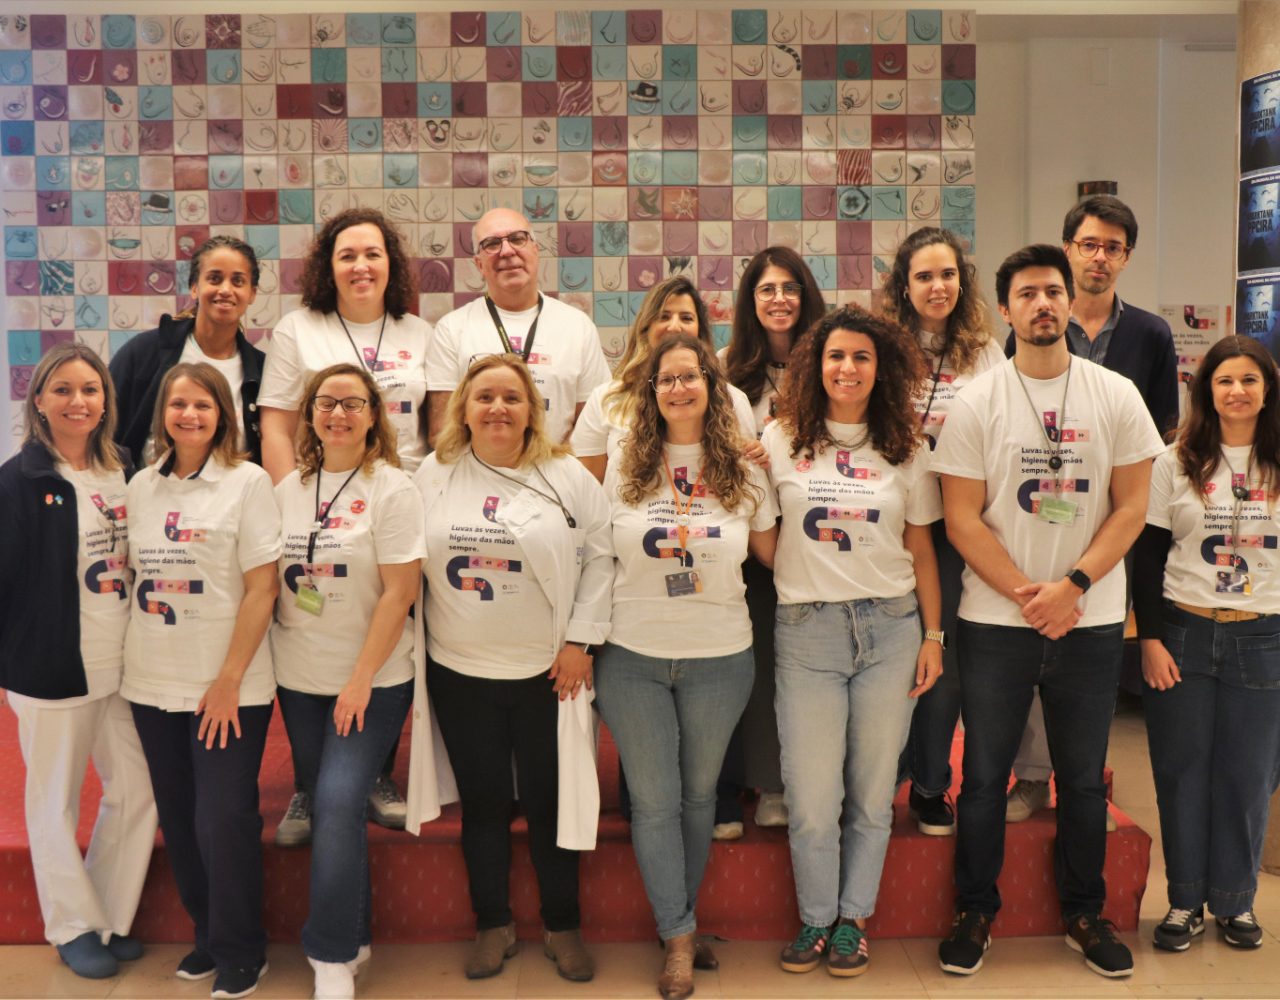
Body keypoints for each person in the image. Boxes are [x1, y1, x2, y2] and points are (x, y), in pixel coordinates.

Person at [932, 244, 1164, 979]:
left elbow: (1132, 508)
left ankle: (1084, 914)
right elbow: (961, 519)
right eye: (1028, 293)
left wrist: (1072, 586)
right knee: (984, 778)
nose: (1043, 304)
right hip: (996, 623)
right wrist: (1029, 597)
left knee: (1084, 778)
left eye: (1053, 291)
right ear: (1005, 309)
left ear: (1071, 302)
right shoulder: (978, 401)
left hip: (1089, 621)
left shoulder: (1115, 395)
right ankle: (975, 910)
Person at [409, 354, 613, 983]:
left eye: (512, 397)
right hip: (460, 670)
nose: (498, 407)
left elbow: (602, 557)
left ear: (532, 411)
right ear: (463, 409)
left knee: (552, 803)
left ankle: (562, 925)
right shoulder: (434, 473)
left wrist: (582, 641)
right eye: (484, 397)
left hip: (549, 673)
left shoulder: (566, 475)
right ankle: (492, 924)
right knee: (485, 804)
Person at [593, 335, 777, 999]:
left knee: (700, 797)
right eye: (665, 379)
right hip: (632, 654)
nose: (678, 388)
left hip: (720, 656)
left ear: (712, 387)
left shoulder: (745, 466)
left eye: (690, 376)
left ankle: (680, 921)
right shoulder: (625, 460)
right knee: (654, 800)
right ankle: (678, 935)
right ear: (651, 391)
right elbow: (598, 554)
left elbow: (776, 556)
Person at [762, 306, 944, 978]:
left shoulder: (908, 446)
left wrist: (933, 635)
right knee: (812, 797)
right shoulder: (779, 439)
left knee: (871, 792)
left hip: (891, 628)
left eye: (861, 357)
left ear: (881, 367)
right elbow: (762, 533)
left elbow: (921, 549)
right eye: (835, 356)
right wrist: (803, 573)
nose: (847, 368)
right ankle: (815, 917)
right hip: (807, 632)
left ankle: (852, 921)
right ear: (815, 365)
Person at [1006, 195, 1179, 825]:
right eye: (1088, 244)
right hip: (1040, 511)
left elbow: (1162, 433)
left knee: (1093, 652)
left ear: (1126, 257)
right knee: (1035, 636)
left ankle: (1086, 781)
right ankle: (1031, 776)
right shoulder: (1035, 320)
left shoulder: (1151, 335)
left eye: (1113, 247)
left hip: (1116, 520)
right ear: (1069, 248)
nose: (1099, 257)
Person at [259, 207, 430, 838]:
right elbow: (277, 426)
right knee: (319, 626)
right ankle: (311, 784)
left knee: (393, 630)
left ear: (392, 264)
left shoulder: (419, 332)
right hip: (321, 502)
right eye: (347, 255)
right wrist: (302, 504)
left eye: (372, 254)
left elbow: (435, 428)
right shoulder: (298, 330)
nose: (361, 266)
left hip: (401, 505)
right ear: (326, 268)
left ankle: (376, 771)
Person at [123, 362, 281, 999]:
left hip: (228, 686)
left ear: (223, 415)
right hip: (151, 679)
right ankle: (208, 936)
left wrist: (228, 679)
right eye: (178, 405)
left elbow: (263, 588)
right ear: (162, 413)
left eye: (203, 405)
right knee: (181, 818)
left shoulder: (248, 482)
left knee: (223, 818)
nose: (189, 415)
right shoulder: (141, 486)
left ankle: (243, 949)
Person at [0, 344, 157, 980]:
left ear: (105, 400)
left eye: (90, 389)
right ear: (39, 400)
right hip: (53, 667)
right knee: (54, 803)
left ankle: (107, 915)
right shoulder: (18, 481)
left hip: (125, 661)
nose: (78, 401)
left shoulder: (125, 469)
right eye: (62, 389)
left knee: (138, 790)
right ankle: (70, 927)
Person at [271, 364, 424, 999]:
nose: (338, 414)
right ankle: (354, 936)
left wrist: (360, 679)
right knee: (324, 797)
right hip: (298, 678)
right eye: (326, 403)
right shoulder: (288, 489)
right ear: (309, 414)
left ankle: (330, 956)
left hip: (372, 680)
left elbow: (400, 592)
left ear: (373, 415)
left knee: (336, 802)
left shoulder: (393, 489)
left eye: (352, 403)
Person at [1134, 335, 1280, 953]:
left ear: (1267, 390)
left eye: (1249, 380)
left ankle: (1236, 901)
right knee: (1181, 772)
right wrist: (1150, 638)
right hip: (1184, 633)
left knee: (1248, 776)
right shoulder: (1174, 461)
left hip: (1263, 635)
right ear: (1206, 391)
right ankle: (1185, 900)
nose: (1237, 391)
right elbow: (1147, 557)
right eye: (1225, 380)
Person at [881, 227, 1004, 837]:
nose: (938, 286)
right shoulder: (881, 346)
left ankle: (931, 785)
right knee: (887, 657)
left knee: (942, 658)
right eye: (925, 276)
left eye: (948, 274)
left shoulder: (985, 353)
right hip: (888, 522)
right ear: (903, 286)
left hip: (956, 527)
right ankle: (879, 779)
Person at [718, 246, 828, 831]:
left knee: (814, 669)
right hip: (753, 542)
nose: (779, 299)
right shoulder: (725, 366)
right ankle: (771, 783)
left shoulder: (833, 358)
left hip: (824, 537)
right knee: (764, 665)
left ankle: (819, 779)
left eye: (790, 288)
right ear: (750, 301)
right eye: (767, 289)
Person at [424, 207, 610, 447]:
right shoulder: (451, 329)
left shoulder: (578, 326)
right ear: (479, 264)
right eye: (492, 244)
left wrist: (551, 465)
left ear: (535, 249)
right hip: (478, 469)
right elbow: (442, 431)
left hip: (556, 468)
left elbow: (593, 426)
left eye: (517, 239)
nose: (507, 251)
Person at [571, 274, 757, 482]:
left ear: (700, 331)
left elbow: (746, 476)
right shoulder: (606, 399)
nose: (674, 327)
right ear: (646, 327)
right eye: (664, 316)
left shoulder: (733, 400)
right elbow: (588, 489)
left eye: (686, 318)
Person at [110, 235, 265, 466]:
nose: (225, 289)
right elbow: (104, 430)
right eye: (214, 278)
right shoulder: (144, 353)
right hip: (147, 487)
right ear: (194, 287)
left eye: (238, 281)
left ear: (252, 293)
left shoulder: (262, 370)